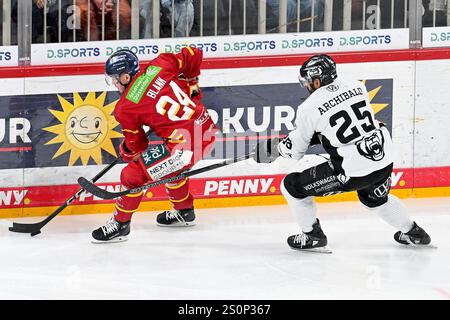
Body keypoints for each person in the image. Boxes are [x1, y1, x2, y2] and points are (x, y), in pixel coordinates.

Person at [253, 54, 431, 253]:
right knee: (374, 199)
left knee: (291, 186)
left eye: (308, 81)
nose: (306, 86)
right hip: (384, 160)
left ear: (317, 80)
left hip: (352, 172)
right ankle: (413, 232)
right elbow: (342, 124)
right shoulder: (356, 86)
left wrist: (273, 149)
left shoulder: (309, 108)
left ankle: (312, 235)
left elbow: (295, 152)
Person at [92, 47, 217, 243]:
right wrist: (192, 85)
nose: (114, 83)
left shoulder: (125, 107)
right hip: (207, 127)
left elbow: (137, 147)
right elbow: (194, 54)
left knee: (131, 176)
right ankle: (184, 212)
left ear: (126, 77)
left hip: (187, 146)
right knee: (168, 165)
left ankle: (120, 225)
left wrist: (125, 151)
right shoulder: (159, 65)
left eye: (115, 78)